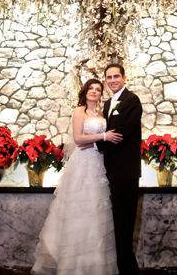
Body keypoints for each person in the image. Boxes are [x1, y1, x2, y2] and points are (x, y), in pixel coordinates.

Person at [32, 78, 122, 275]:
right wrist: (104, 136)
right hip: (82, 164)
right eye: (91, 88)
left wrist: (99, 142)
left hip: (98, 163)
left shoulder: (100, 113)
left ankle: (92, 264)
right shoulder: (79, 111)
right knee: (78, 208)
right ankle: (71, 265)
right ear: (85, 91)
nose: (95, 92)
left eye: (98, 89)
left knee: (95, 210)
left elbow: (91, 141)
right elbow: (79, 139)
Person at [98, 63, 142, 275]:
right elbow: (107, 132)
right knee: (115, 221)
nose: (113, 80)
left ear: (124, 78)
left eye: (116, 76)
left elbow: (122, 133)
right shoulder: (107, 104)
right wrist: (101, 137)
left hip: (126, 171)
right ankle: (119, 267)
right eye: (109, 77)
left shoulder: (132, 100)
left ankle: (128, 270)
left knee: (125, 221)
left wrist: (97, 142)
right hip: (109, 171)